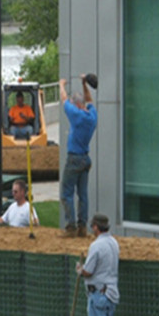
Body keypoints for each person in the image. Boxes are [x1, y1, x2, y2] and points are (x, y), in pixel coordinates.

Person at [76, 213, 119, 316]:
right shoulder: (114, 243)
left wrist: (80, 270)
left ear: (95, 227)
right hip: (111, 293)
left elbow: (89, 271)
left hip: (98, 294)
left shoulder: (96, 246)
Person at [59, 74, 98, 237]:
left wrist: (61, 85)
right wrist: (84, 84)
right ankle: (83, 227)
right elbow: (90, 101)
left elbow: (64, 100)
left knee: (66, 193)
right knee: (83, 194)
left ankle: (70, 227)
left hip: (74, 158)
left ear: (77, 105)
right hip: (85, 159)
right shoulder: (91, 116)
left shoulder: (77, 116)